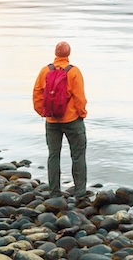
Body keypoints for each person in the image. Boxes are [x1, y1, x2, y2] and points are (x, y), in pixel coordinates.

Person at [33, 41, 88, 201]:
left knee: (53, 155)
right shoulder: (74, 72)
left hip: (51, 120)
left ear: (55, 53)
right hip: (72, 120)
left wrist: (42, 111)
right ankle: (80, 193)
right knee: (78, 155)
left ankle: (55, 192)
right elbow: (79, 97)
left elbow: (37, 93)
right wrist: (82, 114)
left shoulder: (45, 71)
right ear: (68, 54)